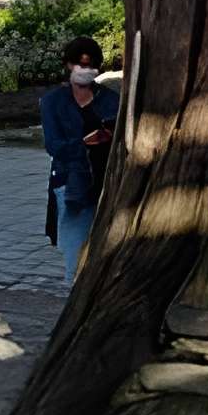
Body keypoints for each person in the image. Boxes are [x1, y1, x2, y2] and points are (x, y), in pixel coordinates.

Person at [39, 34, 120, 287]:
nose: (86, 71)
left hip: (107, 181)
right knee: (75, 255)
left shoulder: (110, 100)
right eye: (81, 65)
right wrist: (85, 143)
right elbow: (54, 146)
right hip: (73, 182)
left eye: (91, 66)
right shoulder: (54, 102)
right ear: (69, 65)